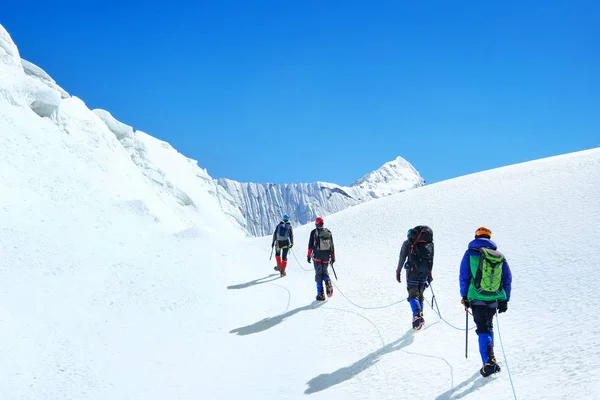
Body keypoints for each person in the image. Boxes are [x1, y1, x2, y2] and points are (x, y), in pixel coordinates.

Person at [459, 226, 512, 377]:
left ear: (476, 237)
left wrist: (465, 297)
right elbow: (507, 278)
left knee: (482, 329)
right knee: (489, 326)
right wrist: (505, 299)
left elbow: (464, 276)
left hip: (476, 297)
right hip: (494, 298)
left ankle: (488, 362)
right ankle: (491, 357)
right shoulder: (499, 256)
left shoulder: (470, 253)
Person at [396, 226, 434, 330]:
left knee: (413, 295)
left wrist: (398, 271)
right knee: (420, 295)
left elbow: (402, 257)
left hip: (412, 272)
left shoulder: (408, 243)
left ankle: (417, 316)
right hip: (424, 273)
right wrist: (429, 274)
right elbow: (431, 258)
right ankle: (420, 318)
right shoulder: (428, 244)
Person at [307, 217, 335, 301]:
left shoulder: (313, 232)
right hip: (326, 257)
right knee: (325, 272)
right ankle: (328, 282)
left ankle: (321, 295)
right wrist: (333, 257)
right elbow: (332, 246)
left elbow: (310, 246)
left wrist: (308, 256)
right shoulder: (328, 232)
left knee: (318, 275)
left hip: (317, 257)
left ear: (316, 224)